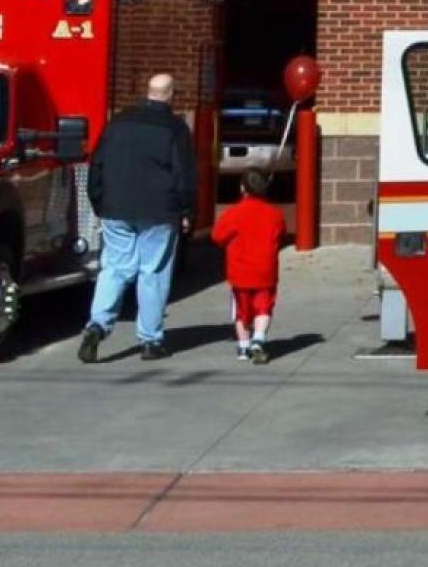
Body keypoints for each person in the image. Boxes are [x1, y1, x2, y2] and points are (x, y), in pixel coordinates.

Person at [82, 73, 196, 363]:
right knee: (153, 273)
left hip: (116, 206)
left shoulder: (118, 122)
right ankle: (150, 340)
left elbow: (97, 164)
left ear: (148, 91)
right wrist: (186, 210)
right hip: (159, 211)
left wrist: (99, 201)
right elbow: (184, 175)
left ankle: (97, 325)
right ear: (171, 95)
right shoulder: (175, 128)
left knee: (114, 268)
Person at [204, 171, 286, 364]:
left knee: (241, 311)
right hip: (265, 271)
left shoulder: (233, 213)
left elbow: (217, 236)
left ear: (242, 188)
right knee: (264, 309)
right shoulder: (275, 214)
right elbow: (280, 234)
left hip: (240, 272)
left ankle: (243, 345)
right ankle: (259, 337)